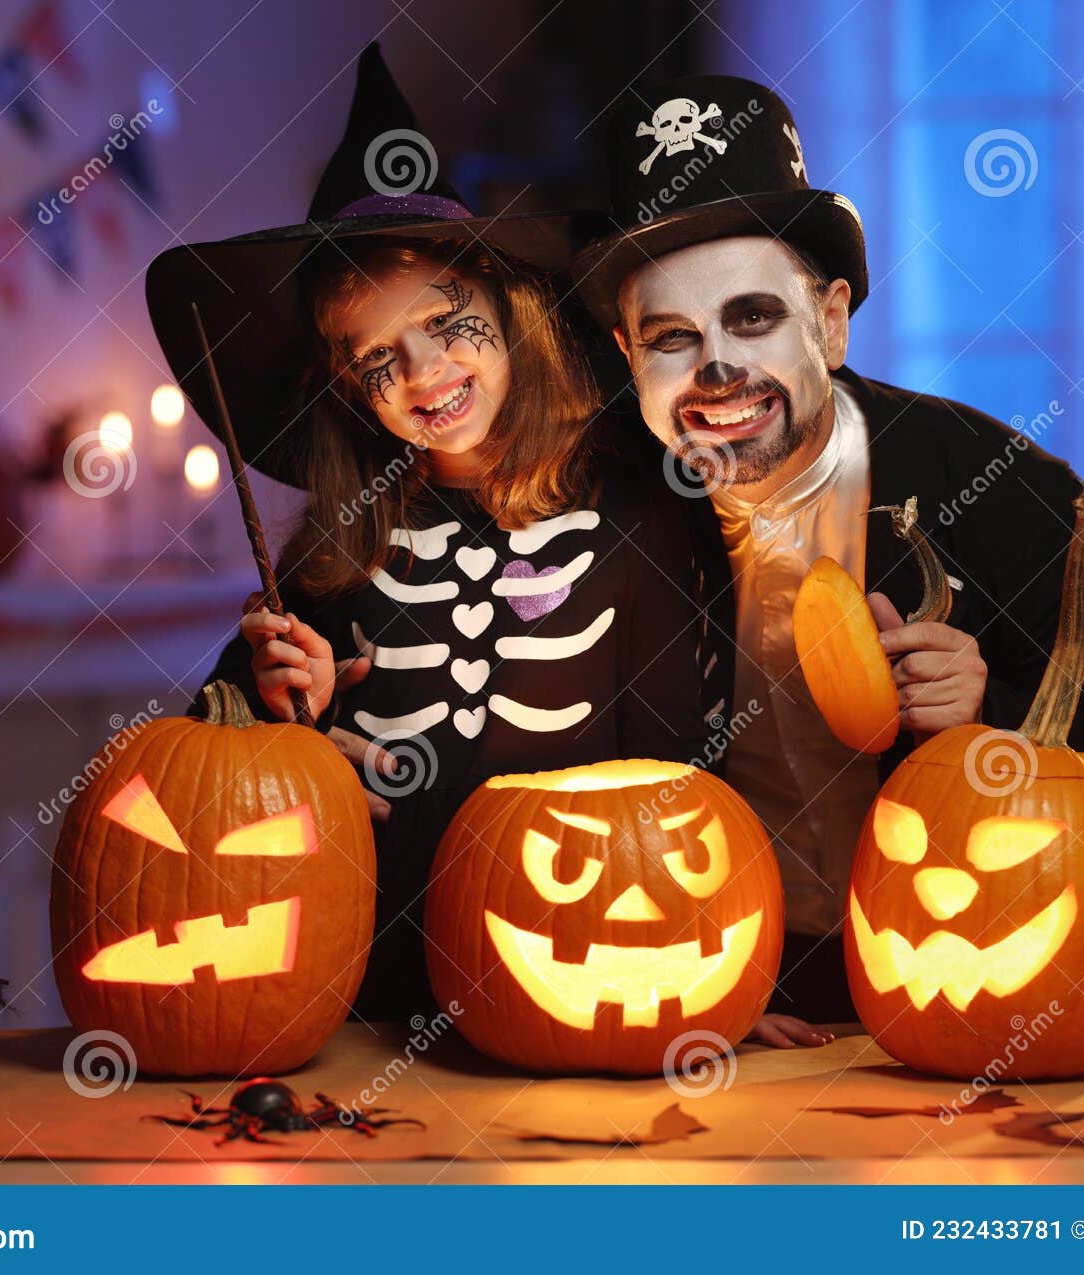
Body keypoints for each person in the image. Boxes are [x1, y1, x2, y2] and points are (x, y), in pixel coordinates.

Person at [573, 74, 1084, 1042]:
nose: (715, 370)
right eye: (670, 339)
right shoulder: (596, 496)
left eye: (751, 319)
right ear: (624, 353)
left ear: (828, 318)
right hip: (694, 984)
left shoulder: (1001, 482)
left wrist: (993, 729)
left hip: (960, 983)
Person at [146, 46, 731, 1023]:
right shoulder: (337, 558)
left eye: (446, 323)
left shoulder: (641, 524)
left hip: (585, 982)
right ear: (347, 388)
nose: (423, 375)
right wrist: (283, 735)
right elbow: (199, 784)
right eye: (378, 357)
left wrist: (738, 981)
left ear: (512, 309)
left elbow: (683, 778)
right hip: (360, 995)